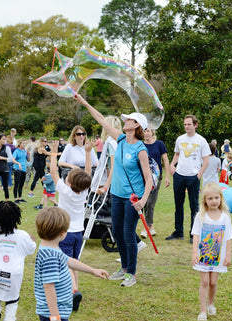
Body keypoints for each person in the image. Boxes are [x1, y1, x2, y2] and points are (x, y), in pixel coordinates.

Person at [75, 94, 152, 288]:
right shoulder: (120, 139)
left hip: (132, 198)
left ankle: (131, 274)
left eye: (129, 120)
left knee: (127, 233)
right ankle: (124, 268)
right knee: (117, 232)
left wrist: (143, 200)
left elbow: (149, 178)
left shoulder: (141, 149)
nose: (125, 121)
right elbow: (101, 118)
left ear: (136, 126)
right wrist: (84, 102)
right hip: (116, 195)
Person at [34, 206, 109, 321]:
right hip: (53, 314)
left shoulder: (51, 248)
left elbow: (69, 260)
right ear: (62, 233)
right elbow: (48, 287)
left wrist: (93, 271)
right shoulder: (50, 256)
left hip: (57, 312)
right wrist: (55, 316)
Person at [48, 139, 92, 310]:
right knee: (75, 262)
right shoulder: (84, 191)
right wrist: (88, 153)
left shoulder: (65, 191)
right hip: (78, 233)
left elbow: (53, 171)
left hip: (65, 233)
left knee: (67, 263)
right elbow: (87, 172)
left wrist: (53, 152)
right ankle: (76, 290)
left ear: (69, 183)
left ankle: (73, 291)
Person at [0, 201, 36, 321]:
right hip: (14, 275)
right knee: (12, 300)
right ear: (16, 218)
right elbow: (31, 249)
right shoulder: (23, 236)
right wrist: (32, 240)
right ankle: (9, 317)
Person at [191, 182, 232, 321]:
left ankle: (211, 303)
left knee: (213, 282)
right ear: (205, 200)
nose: (214, 201)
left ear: (221, 198)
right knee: (204, 281)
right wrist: (194, 253)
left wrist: (228, 255)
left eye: (216, 198)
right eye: (210, 198)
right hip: (204, 255)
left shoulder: (225, 218)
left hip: (218, 257)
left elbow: (228, 237)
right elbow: (196, 234)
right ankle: (203, 311)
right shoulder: (200, 216)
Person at [166, 115, 211, 242]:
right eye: (185, 124)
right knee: (178, 205)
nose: (186, 126)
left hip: (193, 177)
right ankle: (178, 232)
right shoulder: (180, 139)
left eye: (189, 124)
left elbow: (206, 160)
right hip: (179, 176)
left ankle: (193, 233)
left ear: (195, 125)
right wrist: (172, 164)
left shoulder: (201, 140)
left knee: (194, 207)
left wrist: (198, 175)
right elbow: (177, 154)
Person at [140, 128, 171, 238]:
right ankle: (150, 227)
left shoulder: (159, 144)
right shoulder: (140, 145)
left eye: (148, 131)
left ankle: (146, 227)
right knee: (144, 201)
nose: (146, 133)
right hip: (142, 177)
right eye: (144, 131)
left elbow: (165, 160)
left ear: (152, 133)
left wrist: (167, 176)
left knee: (150, 202)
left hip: (156, 178)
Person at [12, 139, 27, 204]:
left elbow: (27, 159)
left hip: (24, 169)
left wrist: (28, 155)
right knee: (16, 184)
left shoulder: (24, 151)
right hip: (17, 169)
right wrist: (18, 163)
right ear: (19, 144)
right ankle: (16, 199)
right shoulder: (16, 151)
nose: (24, 144)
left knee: (21, 184)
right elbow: (13, 160)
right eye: (23, 143)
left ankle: (20, 198)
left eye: (24, 143)